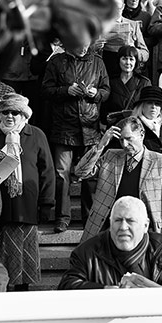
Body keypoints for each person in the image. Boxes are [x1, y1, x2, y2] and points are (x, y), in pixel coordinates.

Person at [0, 94, 54, 291]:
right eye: (5, 112)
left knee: (23, 262)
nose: (10, 116)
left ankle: (23, 295)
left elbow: (47, 172)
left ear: (24, 115)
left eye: (15, 112)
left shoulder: (36, 135)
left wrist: (47, 203)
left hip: (26, 206)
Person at [74, 117, 162, 245]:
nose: (124, 144)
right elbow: (80, 172)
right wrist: (101, 145)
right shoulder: (110, 156)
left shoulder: (160, 161)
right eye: (121, 140)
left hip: (147, 232)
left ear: (141, 135)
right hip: (107, 229)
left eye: (129, 139)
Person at [41, 33, 110, 233]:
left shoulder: (98, 62)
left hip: (90, 126)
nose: (83, 47)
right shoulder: (57, 62)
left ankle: (90, 218)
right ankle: (62, 218)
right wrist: (65, 91)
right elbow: (45, 90)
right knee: (61, 175)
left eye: (86, 43)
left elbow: (106, 91)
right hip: (64, 126)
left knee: (89, 175)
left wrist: (96, 94)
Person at [57, 196, 162, 289]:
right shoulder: (87, 252)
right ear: (110, 223)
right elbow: (67, 285)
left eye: (130, 221)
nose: (123, 227)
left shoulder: (161, 247)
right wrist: (105, 290)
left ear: (145, 225)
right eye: (118, 220)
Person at [97, 0, 149, 76]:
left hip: (129, 68)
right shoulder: (100, 25)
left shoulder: (133, 25)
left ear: (123, 6)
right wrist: (96, 46)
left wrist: (134, 50)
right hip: (107, 68)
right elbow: (86, 50)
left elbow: (145, 53)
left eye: (119, 7)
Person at [101, 45, 151, 125]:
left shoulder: (144, 82)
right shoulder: (110, 81)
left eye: (131, 59)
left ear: (136, 62)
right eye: (124, 59)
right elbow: (103, 110)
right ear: (119, 61)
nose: (128, 62)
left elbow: (147, 109)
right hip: (115, 128)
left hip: (136, 128)